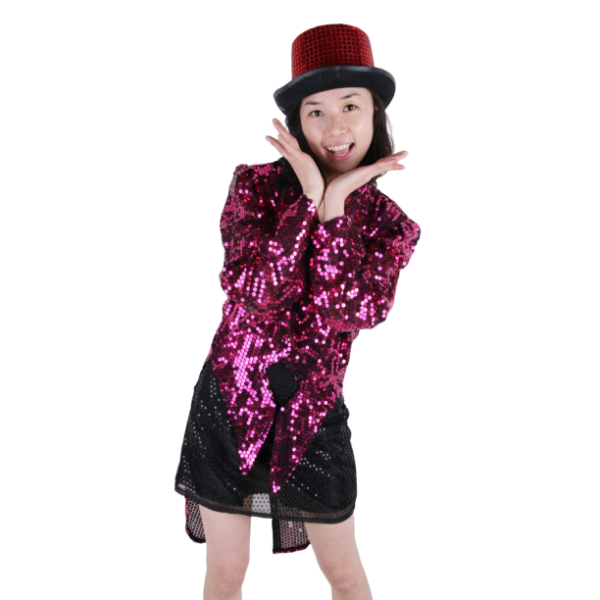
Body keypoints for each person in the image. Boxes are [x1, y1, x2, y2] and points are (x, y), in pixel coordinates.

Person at [174, 22, 422, 600]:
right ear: (295, 122)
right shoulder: (253, 186)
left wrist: (334, 211)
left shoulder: (392, 225)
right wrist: (308, 199)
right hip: (228, 407)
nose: (335, 128)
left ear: (376, 113)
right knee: (225, 575)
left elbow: (354, 312)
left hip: (314, 416)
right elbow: (253, 291)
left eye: (350, 106)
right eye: (316, 111)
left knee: (346, 576)